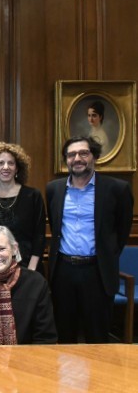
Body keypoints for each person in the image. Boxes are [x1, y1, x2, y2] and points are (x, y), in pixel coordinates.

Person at [46, 136, 133, 343]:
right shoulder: (54, 189)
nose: (77, 158)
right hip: (63, 272)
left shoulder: (117, 189)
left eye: (83, 153)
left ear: (94, 156)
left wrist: (106, 255)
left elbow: (122, 231)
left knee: (97, 336)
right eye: (71, 154)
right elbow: (56, 227)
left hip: (98, 272)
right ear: (66, 160)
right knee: (64, 334)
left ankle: (99, 376)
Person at [0, 142, 46, 273]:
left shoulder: (33, 196)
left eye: (11, 163)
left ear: (17, 168)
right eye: (0, 163)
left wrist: (31, 270)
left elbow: (39, 236)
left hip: (27, 268)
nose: (6, 167)